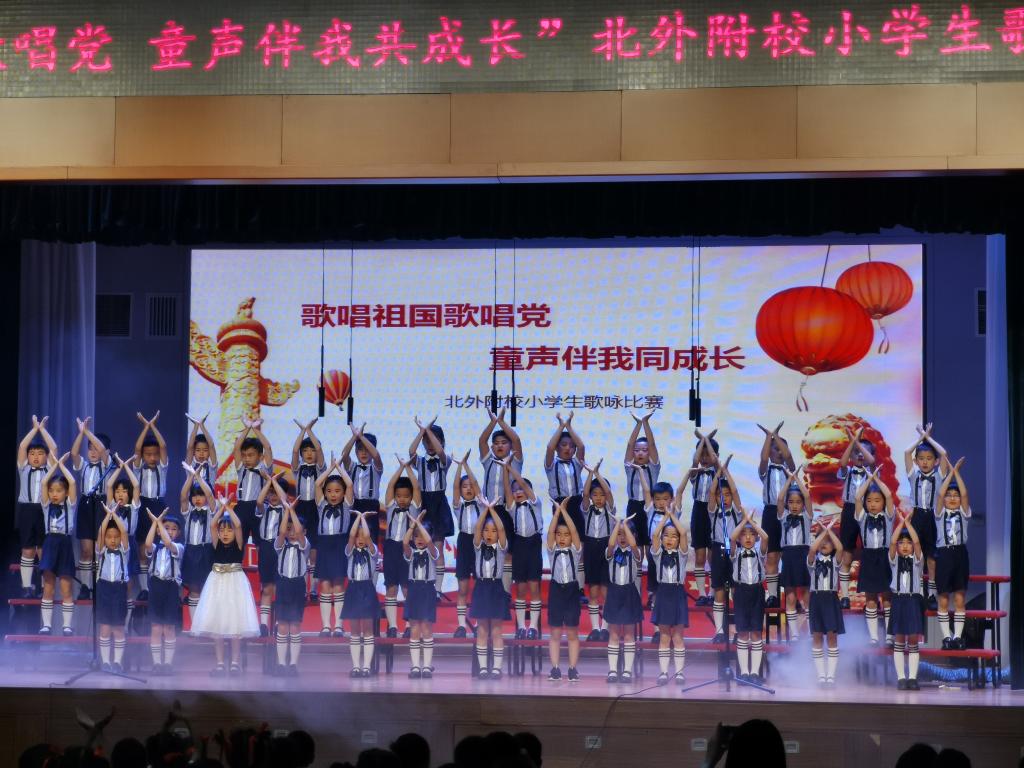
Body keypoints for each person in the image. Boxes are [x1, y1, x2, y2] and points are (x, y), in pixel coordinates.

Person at [189, 497, 260, 676]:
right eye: (223, 530)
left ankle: (234, 663)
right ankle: (220, 664)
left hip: (235, 583)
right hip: (217, 583)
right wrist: (221, 509)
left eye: (229, 530)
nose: (226, 533)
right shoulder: (216, 543)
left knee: (235, 627)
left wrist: (228, 507)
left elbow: (238, 525)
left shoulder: (239, 544)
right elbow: (212, 524)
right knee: (217, 629)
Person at [904, 424, 949, 610]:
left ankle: (931, 593)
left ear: (935, 462)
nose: (925, 462)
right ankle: (916, 590)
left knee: (932, 557)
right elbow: (907, 452)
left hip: (932, 517)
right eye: (921, 459)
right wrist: (920, 437)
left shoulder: (939, 476)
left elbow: (944, 453)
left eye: (929, 459)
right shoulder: (913, 475)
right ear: (916, 461)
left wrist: (928, 437)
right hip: (917, 516)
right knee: (916, 554)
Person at [478, 408, 523, 593]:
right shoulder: (488, 461)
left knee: (508, 551)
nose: (499, 446)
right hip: (490, 511)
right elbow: (482, 441)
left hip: (509, 511)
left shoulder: (515, 461)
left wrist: (502, 422)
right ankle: (488, 587)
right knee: (488, 548)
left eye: (504, 443)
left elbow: (517, 440)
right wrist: (493, 422)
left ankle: (505, 592)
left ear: (510, 447)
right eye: (496, 443)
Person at [409, 416, 452, 598]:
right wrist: (422, 431)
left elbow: (440, 451)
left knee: (438, 547)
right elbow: (411, 451)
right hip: (424, 504)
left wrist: (430, 432)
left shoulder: (445, 460)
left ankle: (438, 589)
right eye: (427, 441)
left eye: (434, 440)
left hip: (439, 504)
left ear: (441, 442)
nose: (430, 444)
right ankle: (423, 583)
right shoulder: (420, 461)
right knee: (422, 546)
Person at [16, 415, 58, 597]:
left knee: (43, 549)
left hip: (45, 510)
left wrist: (43, 430)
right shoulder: (23, 468)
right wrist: (34, 429)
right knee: (27, 549)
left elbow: (54, 448)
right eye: (32, 453)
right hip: (27, 510)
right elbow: (22, 446)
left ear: (46, 457)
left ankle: (42, 587)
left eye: (40, 453)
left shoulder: (49, 469)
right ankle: (26, 587)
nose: (35, 457)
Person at [71, 416, 112, 599]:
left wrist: (87, 431)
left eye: (96, 448)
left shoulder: (108, 464)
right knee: (86, 550)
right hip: (86, 505)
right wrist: (82, 434)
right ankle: (85, 587)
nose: (93, 452)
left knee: (99, 549)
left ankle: (99, 585)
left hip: (102, 505)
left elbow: (102, 450)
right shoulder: (85, 466)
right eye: (90, 448)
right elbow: (74, 453)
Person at [544, 412, 586, 587]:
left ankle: (579, 588)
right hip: (559, 506)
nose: (568, 448)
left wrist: (569, 425)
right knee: (561, 545)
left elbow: (581, 445)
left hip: (576, 505)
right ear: (557, 448)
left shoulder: (577, 463)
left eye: (571, 446)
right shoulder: (551, 464)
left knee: (579, 546)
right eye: (563, 445)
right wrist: (561, 426)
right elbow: (549, 447)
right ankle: (561, 582)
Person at [623, 411, 661, 606]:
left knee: (651, 553)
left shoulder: (654, 467)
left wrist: (646, 423)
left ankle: (653, 593)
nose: (639, 453)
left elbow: (652, 444)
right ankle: (636, 593)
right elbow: (629, 445)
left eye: (644, 450)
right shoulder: (629, 466)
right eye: (637, 450)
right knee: (635, 552)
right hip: (633, 508)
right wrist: (638, 424)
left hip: (650, 509)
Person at [633, 465, 675, 642]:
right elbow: (645, 490)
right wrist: (641, 472)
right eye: (657, 499)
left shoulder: (674, 512)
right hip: (654, 553)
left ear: (671, 500)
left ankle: (669, 629)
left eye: (665, 499)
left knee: (669, 593)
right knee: (656, 592)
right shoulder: (650, 511)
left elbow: (680, 492)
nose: (661, 502)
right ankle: (658, 630)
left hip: (671, 555)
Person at [502, 459, 543, 639]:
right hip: (519, 545)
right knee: (520, 588)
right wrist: (505, 470)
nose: (518, 492)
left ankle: (533, 627)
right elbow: (506, 488)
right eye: (515, 490)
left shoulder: (535, 503)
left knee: (534, 587)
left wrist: (512, 469)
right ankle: (521, 627)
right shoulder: (513, 508)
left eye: (521, 489)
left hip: (534, 545)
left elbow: (524, 486)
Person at [854, 470, 896, 645]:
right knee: (870, 598)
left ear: (883, 503)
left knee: (887, 598)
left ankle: (889, 635)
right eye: (869, 501)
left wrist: (876, 479)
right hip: (869, 557)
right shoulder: (862, 517)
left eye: (877, 500)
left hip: (885, 557)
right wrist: (869, 479)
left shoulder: (888, 517)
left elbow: (889, 495)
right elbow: (857, 497)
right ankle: (873, 636)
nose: (873, 504)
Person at [383, 457, 423, 638]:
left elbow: (416, 487)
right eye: (399, 496)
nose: (402, 499)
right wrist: (401, 467)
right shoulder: (391, 506)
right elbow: (390, 486)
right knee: (391, 588)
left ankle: (409, 625)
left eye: (406, 496)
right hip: (391, 547)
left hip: (408, 548)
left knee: (407, 588)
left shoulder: (414, 508)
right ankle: (392, 626)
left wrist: (409, 469)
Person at [469, 498, 509, 680]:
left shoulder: (501, 548)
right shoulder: (478, 546)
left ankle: (497, 669)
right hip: (481, 587)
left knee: (497, 630)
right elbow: (477, 527)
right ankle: (483, 668)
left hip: (496, 587)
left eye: (493, 531)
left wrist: (492, 509)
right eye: (487, 530)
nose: (490, 533)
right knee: (482, 629)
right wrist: (485, 510)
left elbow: (501, 529)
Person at [649, 503, 689, 685]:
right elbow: (654, 535)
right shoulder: (658, 554)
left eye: (674, 536)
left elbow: (684, 533)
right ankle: (663, 673)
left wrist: (672, 515)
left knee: (678, 636)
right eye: (667, 536)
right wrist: (665, 517)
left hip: (677, 593)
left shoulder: (682, 554)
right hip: (663, 593)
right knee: (664, 636)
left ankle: (679, 673)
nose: (670, 539)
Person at [314, 459, 355, 637]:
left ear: (343, 493)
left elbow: (350, 484)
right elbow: (317, 484)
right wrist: (330, 468)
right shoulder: (321, 505)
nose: (333, 495)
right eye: (329, 491)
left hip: (340, 545)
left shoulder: (346, 506)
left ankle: (338, 625)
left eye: (337, 491)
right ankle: (325, 626)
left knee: (338, 585)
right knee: (324, 585)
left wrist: (339, 467)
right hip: (324, 545)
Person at [38, 454, 78, 636]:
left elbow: (72, 482)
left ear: (66, 493)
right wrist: (54, 466)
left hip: (64, 543)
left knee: (66, 587)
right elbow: (43, 482)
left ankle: (66, 626)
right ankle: (46, 625)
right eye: (52, 490)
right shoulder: (46, 505)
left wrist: (61, 465)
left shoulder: (70, 505)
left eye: (59, 490)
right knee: (48, 586)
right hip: (50, 543)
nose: (54, 494)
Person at [837, 426, 876, 608]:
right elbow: (843, 463)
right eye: (857, 452)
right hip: (849, 510)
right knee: (847, 552)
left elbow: (871, 460)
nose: (860, 455)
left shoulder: (873, 471)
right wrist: (853, 441)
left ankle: (871, 595)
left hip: (868, 510)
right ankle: (845, 596)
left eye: (864, 451)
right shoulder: (848, 471)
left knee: (870, 551)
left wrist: (858, 444)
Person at [757, 421, 795, 609]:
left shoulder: (790, 470)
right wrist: (768, 437)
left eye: (781, 449)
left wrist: (777, 437)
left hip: (788, 513)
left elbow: (788, 456)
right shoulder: (766, 471)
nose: (779, 452)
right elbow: (764, 458)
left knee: (789, 556)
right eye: (775, 449)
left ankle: (791, 596)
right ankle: (772, 595)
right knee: (772, 556)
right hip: (771, 513)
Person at [133, 410, 169, 600]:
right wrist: (145, 427)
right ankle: (144, 588)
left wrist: (152, 426)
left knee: (159, 546)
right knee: (142, 548)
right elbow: (137, 448)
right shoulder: (138, 467)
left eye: (155, 454)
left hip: (159, 505)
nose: (153, 458)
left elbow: (163, 446)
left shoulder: (162, 468)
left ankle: (158, 584)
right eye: (148, 455)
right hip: (142, 506)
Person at [935, 458, 971, 650]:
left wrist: (956, 471)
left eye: (955, 496)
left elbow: (964, 494)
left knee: (959, 598)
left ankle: (957, 637)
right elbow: (940, 495)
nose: (952, 498)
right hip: (944, 555)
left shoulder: (964, 513)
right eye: (949, 496)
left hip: (960, 555)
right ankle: (947, 637)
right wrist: (951, 473)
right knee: (943, 598)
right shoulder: (940, 514)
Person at [707, 456, 744, 643]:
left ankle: (738, 631)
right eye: (720, 495)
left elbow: (736, 491)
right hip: (718, 550)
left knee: (736, 591)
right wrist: (718, 473)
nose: (724, 498)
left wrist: (726, 472)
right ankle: (720, 632)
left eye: (727, 495)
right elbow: (711, 491)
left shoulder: (737, 511)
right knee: (720, 591)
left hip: (735, 551)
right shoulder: (713, 512)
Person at [545, 498, 582, 681]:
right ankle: (555, 669)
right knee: (555, 632)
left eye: (565, 535)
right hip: (556, 591)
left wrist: (564, 511)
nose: (561, 538)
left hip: (572, 591)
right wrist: (557, 513)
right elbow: (550, 532)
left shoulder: (575, 550)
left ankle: (573, 669)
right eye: (559, 534)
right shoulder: (552, 550)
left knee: (572, 632)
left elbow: (574, 530)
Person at [144, 507, 184, 675]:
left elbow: (168, 543)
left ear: (178, 533)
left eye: (174, 529)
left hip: (170, 588)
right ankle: (157, 664)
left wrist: (158, 521)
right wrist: (155, 523)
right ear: (159, 531)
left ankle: (168, 664)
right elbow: (147, 544)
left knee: (168, 627)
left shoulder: (178, 547)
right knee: (156, 627)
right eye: (166, 528)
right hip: (156, 588)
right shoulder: (155, 547)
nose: (170, 531)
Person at [730, 507, 769, 683]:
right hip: (741, 592)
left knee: (756, 633)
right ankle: (744, 673)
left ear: (756, 537)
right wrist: (744, 520)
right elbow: (732, 537)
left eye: (751, 534)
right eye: (744, 535)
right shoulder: (735, 553)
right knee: (743, 633)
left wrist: (751, 522)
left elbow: (766, 537)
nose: (747, 538)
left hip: (757, 592)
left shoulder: (760, 553)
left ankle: (754, 673)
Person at [603, 515, 642, 683]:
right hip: (614, 593)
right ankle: (612, 671)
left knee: (628, 634)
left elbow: (633, 545)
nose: (622, 537)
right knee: (613, 633)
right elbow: (611, 544)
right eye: (619, 534)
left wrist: (624, 525)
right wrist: (617, 525)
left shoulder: (635, 553)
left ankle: (627, 671)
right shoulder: (611, 553)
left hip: (629, 593)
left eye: (625, 534)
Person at [273, 497, 309, 676]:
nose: (292, 532)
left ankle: (293, 664)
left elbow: (300, 533)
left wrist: (292, 511)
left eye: (295, 529)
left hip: (297, 586)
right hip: (283, 585)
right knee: (282, 626)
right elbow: (281, 532)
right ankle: (281, 664)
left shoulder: (304, 545)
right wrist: (287, 511)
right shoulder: (280, 546)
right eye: (289, 529)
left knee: (294, 625)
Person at [342, 509, 380, 678]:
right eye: (358, 536)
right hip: (353, 589)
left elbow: (369, 538)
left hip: (367, 589)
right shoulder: (350, 550)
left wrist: (363, 519)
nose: (360, 539)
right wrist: (358, 517)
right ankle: (356, 666)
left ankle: (366, 667)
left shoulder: (373, 551)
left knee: (368, 628)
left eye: (363, 536)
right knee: (355, 629)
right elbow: (350, 536)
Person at [402, 510, 440, 679]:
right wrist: (413, 526)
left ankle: (427, 666)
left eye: (422, 536)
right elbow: (404, 543)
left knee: (426, 628)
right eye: (416, 536)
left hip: (427, 590)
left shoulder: (433, 552)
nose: (419, 539)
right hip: (414, 590)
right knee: (415, 629)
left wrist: (419, 524)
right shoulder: (411, 553)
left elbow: (430, 542)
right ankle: (416, 666)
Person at [291, 417, 326, 599]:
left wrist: (310, 431)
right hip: (300, 509)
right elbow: (294, 450)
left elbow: (319, 450)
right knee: (301, 549)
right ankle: (302, 588)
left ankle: (313, 589)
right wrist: (302, 431)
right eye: (306, 451)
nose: (310, 453)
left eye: (312, 450)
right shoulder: (297, 468)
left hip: (316, 509)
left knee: (314, 552)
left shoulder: (320, 469)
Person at [889, 513, 925, 690]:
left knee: (912, 640)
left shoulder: (917, 560)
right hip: (898, 600)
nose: (904, 546)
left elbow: (917, 542)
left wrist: (908, 523)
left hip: (912, 601)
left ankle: (912, 678)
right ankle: (901, 678)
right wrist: (901, 523)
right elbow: (891, 542)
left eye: (907, 543)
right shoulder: (894, 560)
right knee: (899, 639)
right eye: (902, 543)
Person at [807, 517, 844, 685]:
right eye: (821, 540)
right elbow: (812, 549)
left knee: (832, 637)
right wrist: (822, 533)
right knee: (817, 636)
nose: (824, 543)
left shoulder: (836, 561)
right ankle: (821, 675)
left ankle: (831, 676)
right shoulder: (812, 561)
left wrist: (829, 531)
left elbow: (840, 547)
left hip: (830, 599)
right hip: (816, 599)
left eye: (828, 541)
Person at [104, 454, 142, 620]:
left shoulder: (133, 507)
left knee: (128, 585)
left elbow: (136, 484)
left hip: (129, 544)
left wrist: (126, 466)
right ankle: (113, 620)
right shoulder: (112, 506)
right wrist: (119, 468)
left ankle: (125, 624)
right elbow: (108, 484)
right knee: (114, 583)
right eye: (118, 491)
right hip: (113, 544)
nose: (120, 494)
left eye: (124, 491)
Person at [581, 462, 615, 642]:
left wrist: (597, 474)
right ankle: (595, 629)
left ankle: (605, 629)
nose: (599, 497)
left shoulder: (610, 509)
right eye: (596, 494)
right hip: (591, 549)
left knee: (606, 592)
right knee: (593, 592)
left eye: (602, 494)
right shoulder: (587, 509)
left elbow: (608, 492)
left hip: (605, 548)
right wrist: (590, 474)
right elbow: (585, 493)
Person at [777, 466, 813, 641]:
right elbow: (780, 498)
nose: (794, 505)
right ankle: (794, 634)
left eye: (798, 502)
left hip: (803, 555)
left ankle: (811, 631)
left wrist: (797, 479)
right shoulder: (783, 515)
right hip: (788, 556)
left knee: (806, 595)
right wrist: (789, 481)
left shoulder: (806, 516)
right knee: (790, 597)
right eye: (791, 502)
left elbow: (807, 496)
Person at [178, 464, 217, 623]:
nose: (197, 499)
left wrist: (199, 477)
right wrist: (191, 477)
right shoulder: (188, 512)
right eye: (195, 496)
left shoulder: (212, 511)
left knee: (207, 588)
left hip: (206, 551)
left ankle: (206, 623)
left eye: (201, 495)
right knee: (194, 588)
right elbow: (183, 496)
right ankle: (195, 624)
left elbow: (210, 495)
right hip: (190, 551)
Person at [95, 504, 131, 672]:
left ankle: (117, 662)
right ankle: (105, 662)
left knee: (118, 627)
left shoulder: (124, 551)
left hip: (119, 589)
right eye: (109, 537)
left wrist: (114, 514)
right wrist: (108, 515)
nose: (113, 540)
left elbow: (124, 531)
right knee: (105, 627)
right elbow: (101, 532)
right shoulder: (101, 551)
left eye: (116, 537)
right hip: (103, 589)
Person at [255, 470, 290, 636]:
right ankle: (263, 625)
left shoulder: (285, 509)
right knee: (267, 588)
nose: (273, 496)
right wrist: (269, 481)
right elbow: (259, 501)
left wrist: (274, 482)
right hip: (265, 549)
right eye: (271, 493)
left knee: (279, 587)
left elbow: (284, 500)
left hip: (280, 549)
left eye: (276, 492)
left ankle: (278, 623)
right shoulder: (263, 509)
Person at [231, 415, 273, 548]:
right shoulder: (241, 468)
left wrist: (255, 429)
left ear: (260, 456)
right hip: (241, 507)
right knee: (238, 542)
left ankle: (262, 561)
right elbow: (237, 448)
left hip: (257, 507)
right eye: (244, 455)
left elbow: (268, 447)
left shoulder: (265, 468)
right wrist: (247, 428)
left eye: (250, 455)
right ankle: (237, 561)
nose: (246, 459)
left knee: (260, 542)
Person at [341, 422, 384, 549]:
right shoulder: (352, 467)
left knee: (370, 539)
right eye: (360, 449)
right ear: (356, 451)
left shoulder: (376, 468)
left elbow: (376, 455)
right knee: (353, 538)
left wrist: (362, 437)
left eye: (367, 450)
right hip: (355, 505)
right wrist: (355, 436)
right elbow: (344, 455)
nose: (364, 453)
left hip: (371, 507)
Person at [689, 429, 720, 607]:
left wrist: (706, 439)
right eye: (702, 454)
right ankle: (702, 594)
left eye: (709, 454)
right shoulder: (696, 472)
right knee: (700, 556)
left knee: (713, 557)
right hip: (699, 512)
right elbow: (695, 460)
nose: (705, 458)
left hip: (714, 512)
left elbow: (715, 462)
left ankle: (713, 593)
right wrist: (703, 441)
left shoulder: (718, 472)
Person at [451, 451, 480, 638]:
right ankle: (461, 626)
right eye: (464, 486)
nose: (468, 489)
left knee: (478, 586)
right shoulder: (458, 506)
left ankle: (477, 624)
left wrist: (467, 466)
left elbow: (475, 483)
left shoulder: (481, 504)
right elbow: (454, 486)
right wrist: (459, 466)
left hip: (478, 543)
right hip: (464, 542)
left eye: (470, 486)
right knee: (463, 587)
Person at [185, 412, 218, 490]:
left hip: (208, 497)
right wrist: (196, 426)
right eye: (198, 450)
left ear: (209, 453)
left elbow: (211, 445)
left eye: (205, 450)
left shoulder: (211, 467)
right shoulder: (190, 466)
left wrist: (202, 426)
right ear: (194, 452)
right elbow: (190, 447)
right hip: (192, 497)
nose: (201, 453)